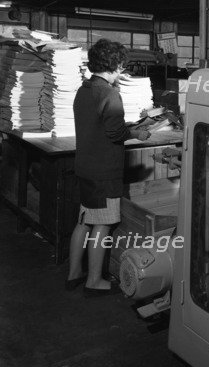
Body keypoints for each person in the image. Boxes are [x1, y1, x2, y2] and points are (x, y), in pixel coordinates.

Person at [66, 39, 150, 297]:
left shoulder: (85, 89)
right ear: (116, 65)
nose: (123, 71)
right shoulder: (110, 94)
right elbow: (115, 133)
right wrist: (138, 132)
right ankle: (94, 281)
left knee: (83, 221)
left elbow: (99, 125)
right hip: (104, 171)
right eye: (122, 66)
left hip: (85, 166)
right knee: (102, 225)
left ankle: (74, 274)